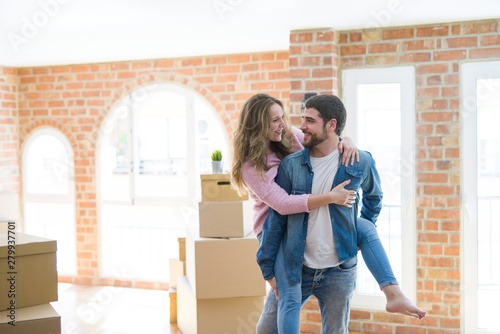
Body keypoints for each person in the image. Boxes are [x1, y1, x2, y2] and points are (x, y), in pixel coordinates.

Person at [231, 93, 426, 333]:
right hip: (276, 231)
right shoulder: (252, 166)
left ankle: (393, 292)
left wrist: (348, 141)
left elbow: (326, 138)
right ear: (258, 124)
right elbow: (281, 206)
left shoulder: (289, 136)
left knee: (364, 227)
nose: (285, 124)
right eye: (274, 120)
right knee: (284, 303)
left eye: (282, 117)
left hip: (322, 244)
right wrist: (269, 270)